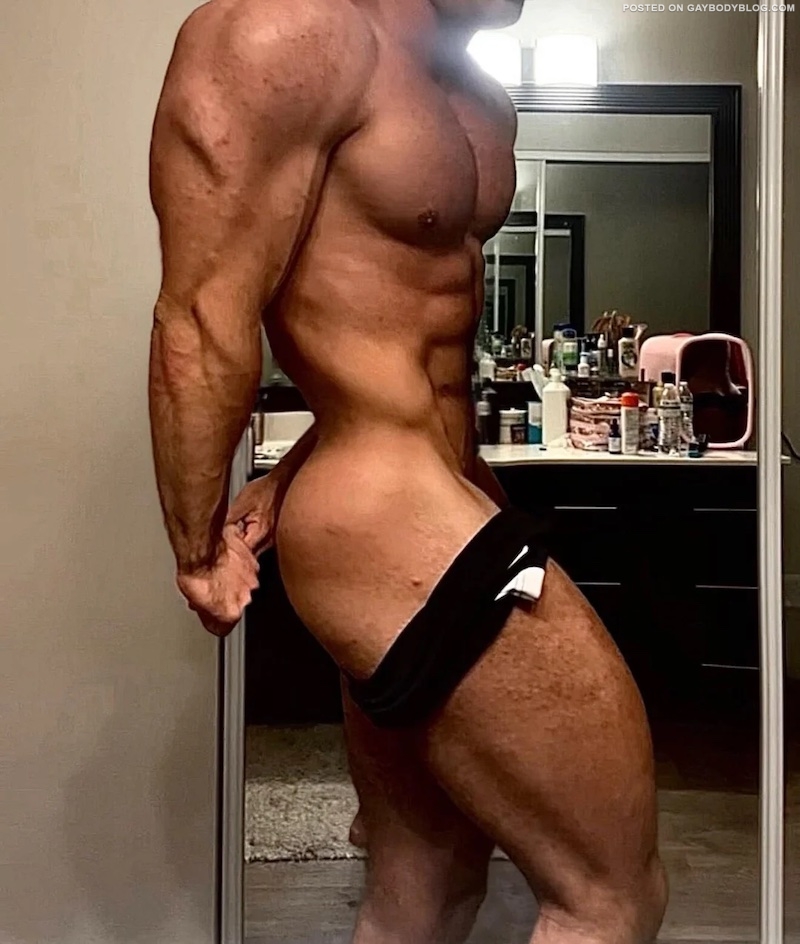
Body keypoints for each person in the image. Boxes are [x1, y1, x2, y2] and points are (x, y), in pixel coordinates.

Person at [148, 1, 667, 941]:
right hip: (384, 516)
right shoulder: (286, 33)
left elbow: (390, 339)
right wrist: (197, 547)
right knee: (611, 894)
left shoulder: (477, 96)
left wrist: (288, 470)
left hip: (441, 495)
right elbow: (203, 308)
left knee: (426, 880)